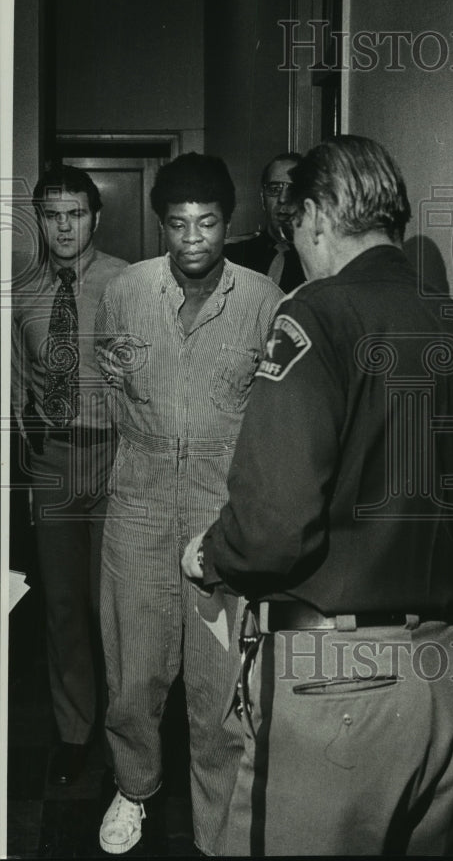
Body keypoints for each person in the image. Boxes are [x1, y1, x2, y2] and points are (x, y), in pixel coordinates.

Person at [182, 136, 453, 856]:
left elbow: (271, 530)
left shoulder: (314, 319)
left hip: (337, 690)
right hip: (451, 683)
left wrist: (209, 556)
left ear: (312, 217)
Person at [94, 152, 283, 856]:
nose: (193, 238)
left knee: (218, 676)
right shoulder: (125, 291)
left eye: (207, 223)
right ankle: (134, 787)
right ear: (160, 226)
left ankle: (219, 821)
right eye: (177, 225)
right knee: (134, 668)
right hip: (138, 500)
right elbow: (115, 389)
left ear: (228, 223)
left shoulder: (265, 298)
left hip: (221, 505)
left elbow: (272, 415)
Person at [11, 165, 128, 785]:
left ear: (95, 218)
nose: (63, 226)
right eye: (52, 214)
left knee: (110, 604)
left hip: (113, 455)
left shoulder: (129, 284)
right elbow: (14, 389)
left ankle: (126, 731)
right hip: (52, 459)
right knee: (60, 605)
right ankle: (73, 731)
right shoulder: (22, 293)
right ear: (40, 220)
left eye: (75, 214)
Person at [225, 153, 305, 292]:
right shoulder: (232, 257)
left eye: (293, 190)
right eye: (274, 190)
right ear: (263, 199)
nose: (283, 199)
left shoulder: (321, 261)